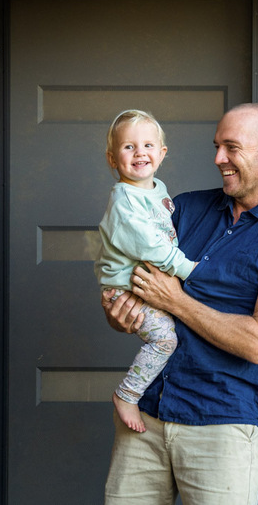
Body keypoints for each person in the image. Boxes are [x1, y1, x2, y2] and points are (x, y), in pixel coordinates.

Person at [102, 103, 258, 505]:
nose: (218, 158)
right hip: (146, 418)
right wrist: (121, 313)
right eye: (217, 146)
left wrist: (174, 299)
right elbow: (136, 281)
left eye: (231, 147)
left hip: (220, 425)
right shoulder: (185, 208)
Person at [95, 109, 198, 433]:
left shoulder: (158, 189)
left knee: (178, 330)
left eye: (148, 145)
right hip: (123, 291)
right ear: (112, 159)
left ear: (162, 153)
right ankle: (127, 395)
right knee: (166, 340)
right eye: (129, 147)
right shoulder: (124, 199)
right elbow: (149, 246)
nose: (140, 152)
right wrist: (187, 269)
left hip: (140, 285)